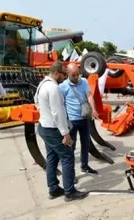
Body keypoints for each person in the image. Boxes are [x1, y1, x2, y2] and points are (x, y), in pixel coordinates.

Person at [34, 61, 88, 202]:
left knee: (52, 158)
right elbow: (58, 112)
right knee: (67, 157)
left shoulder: (42, 85)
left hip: (44, 126)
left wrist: (44, 115)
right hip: (53, 129)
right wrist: (65, 133)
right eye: (64, 74)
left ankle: (53, 188)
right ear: (56, 73)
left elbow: (36, 102)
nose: (65, 77)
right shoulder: (53, 88)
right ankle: (70, 192)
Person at [59, 63, 99, 174]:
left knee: (85, 144)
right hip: (72, 121)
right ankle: (70, 172)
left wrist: (93, 110)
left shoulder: (84, 82)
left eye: (77, 74)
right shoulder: (63, 86)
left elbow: (89, 96)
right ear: (68, 74)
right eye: (73, 75)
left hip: (84, 119)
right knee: (71, 147)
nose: (76, 77)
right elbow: (60, 104)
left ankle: (85, 166)